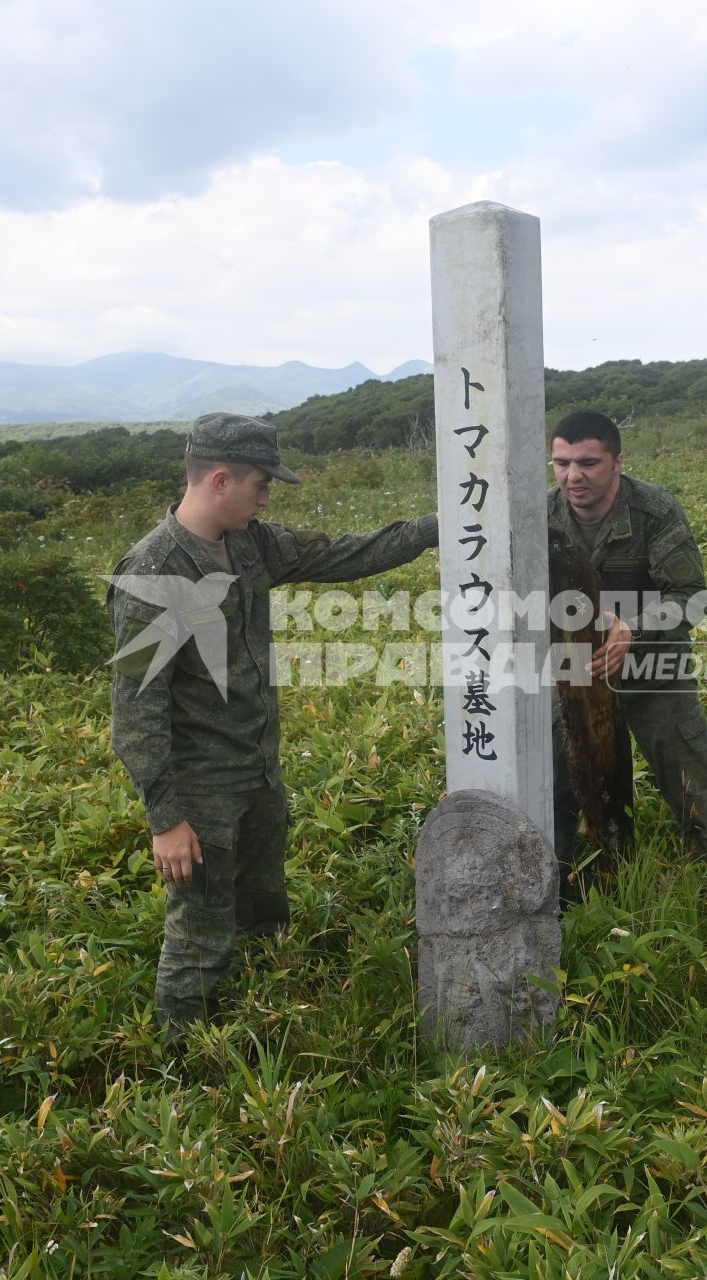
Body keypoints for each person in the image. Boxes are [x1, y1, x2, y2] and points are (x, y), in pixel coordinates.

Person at [108, 412, 438, 1040]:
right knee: (199, 932)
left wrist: (435, 528)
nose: (267, 498)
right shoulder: (155, 574)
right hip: (200, 789)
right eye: (262, 484)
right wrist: (166, 819)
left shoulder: (249, 543)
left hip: (258, 769)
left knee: (262, 910)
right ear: (222, 480)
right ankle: (187, 1068)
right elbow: (136, 710)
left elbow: (343, 554)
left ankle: (259, 1020)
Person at [547, 409, 707, 893]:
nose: (573, 476)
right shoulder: (542, 515)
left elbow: (691, 597)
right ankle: (554, 888)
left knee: (690, 784)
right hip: (576, 672)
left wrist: (632, 629)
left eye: (588, 462)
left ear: (618, 461)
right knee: (559, 785)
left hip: (656, 668)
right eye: (561, 463)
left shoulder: (655, 511)